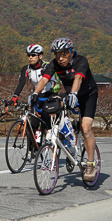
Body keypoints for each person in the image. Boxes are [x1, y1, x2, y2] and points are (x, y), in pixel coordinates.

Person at [31, 37, 99, 182]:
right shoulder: (54, 64)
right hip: (70, 94)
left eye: (64, 54)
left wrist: (74, 93)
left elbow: (78, 79)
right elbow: (44, 79)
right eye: (57, 55)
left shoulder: (81, 61)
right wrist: (35, 93)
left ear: (71, 51)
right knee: (52, 104)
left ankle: (91, 164)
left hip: (87, 95)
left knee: (86, 128)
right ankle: (64, 137)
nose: (60, 58)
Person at [7, 44, 59, 147]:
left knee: (45, 115)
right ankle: (33, 149)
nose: (30, 57)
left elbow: (48, 82)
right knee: (33, 123)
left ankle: (50, 131)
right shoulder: (26, 69)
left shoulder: (46, 67)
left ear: (40, 56)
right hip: (37, 94)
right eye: (28, 55)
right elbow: (21, 83)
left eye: (33, 55)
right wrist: (14, 97)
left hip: (50, 93)